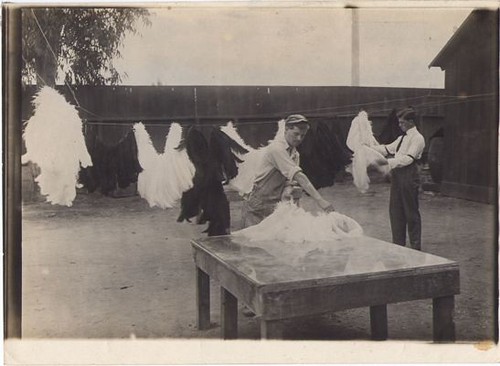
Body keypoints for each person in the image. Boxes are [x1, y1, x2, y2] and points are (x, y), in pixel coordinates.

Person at [241, 114, 335, 228]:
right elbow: (298, 176)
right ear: (286, 130)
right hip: (258, 203)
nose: (299, 139)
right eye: (296, 134)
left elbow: (290, 181)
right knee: (253, 240)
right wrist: (320, 200)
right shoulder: (276, 149)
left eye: (302, 135)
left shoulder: (295, 154)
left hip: (275, 203)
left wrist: (289, 196)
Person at [372, 107, 425, 250]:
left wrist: (387, 163)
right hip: (397, 176)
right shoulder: (402, 138)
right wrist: (369, 147)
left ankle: (415, 246)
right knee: (395, 210)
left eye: (402, 123)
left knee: (411, 211)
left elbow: (408, 159)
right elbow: (387, 149)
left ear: (411, 122)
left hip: (409, 175)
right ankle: (398, 245)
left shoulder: (418, 138)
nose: (399, 125)